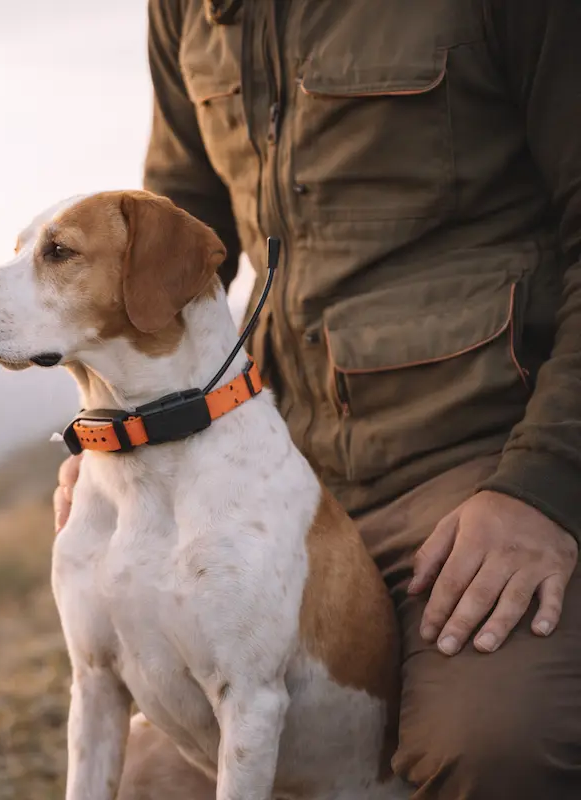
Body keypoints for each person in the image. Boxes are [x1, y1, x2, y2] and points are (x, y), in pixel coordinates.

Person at [51, 1, 581, 797]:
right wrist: (124, 433)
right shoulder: (189, 8)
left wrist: (544, 485)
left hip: (481, 458)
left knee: (496, 747)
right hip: (274, 457)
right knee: (152, 780)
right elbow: (165, 248)